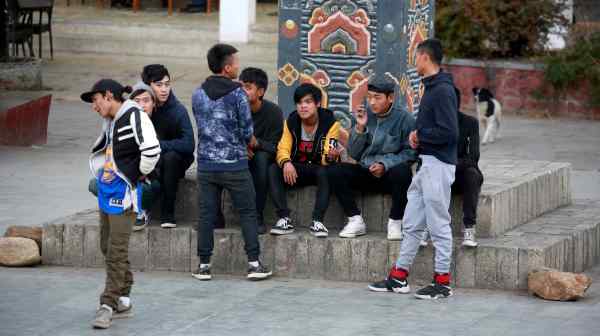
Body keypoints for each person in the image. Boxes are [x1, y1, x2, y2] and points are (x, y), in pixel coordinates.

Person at [368, 39, 459, 300]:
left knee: (439, 224)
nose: (413, 61)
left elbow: (449, 132)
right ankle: (399, 277)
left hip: (438, 164)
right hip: (426, 164)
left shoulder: (441, 90)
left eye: (415, 57)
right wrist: (420, 138)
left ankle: (442, 283)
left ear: (425, 58)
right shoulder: (431, 87)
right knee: (411, 223)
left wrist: (421, 136)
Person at [82, 79, 161, 328]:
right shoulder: (111, 120)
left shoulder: (135, 116)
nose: (94, 107)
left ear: (108, 96)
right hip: (107, 193)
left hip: (124, 195)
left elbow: (152, 150)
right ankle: (124, 297)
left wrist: (135, 177)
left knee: (115, 251)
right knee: (107, 246)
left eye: (95, 101)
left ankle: (107, 304)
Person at [191, 43, 272, 281]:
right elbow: (247, 130)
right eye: (235, 62)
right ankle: (254, 264)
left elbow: (202, 124)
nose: (238, 66)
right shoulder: (237, 94)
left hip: (206, 165)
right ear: (227, 68)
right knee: (248, 212)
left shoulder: (198, 93)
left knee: (206, 215)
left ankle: (204, 265)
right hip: (235, 164)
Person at [328, 80, 416, 239]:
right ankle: (355, 220)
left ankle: (396, 221)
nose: (372, 102)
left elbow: (411, 153)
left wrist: (384, 164)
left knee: (403, 171)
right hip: (366, 172)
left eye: (377, 97)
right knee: (335, 171)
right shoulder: (364, 115)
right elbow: (353, 154)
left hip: (390, 176)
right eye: (369, 97)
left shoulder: (405, 119)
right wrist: (360, 128)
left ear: (390, 98)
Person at [268, 83, 341, 237]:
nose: (303, 107)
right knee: (274, 169)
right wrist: (286, 162)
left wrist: (330, 156)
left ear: (318, 104)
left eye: (308, 102)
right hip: (295, 170)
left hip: (318, 168)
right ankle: (284, 219)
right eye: (300, 103)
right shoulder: (291, 121)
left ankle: (317, 221)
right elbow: (283, 148)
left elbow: (328, 153)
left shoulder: (331, 122)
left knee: (325, 171)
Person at [420, 87, 483, 248]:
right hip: (438, 175)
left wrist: (447, 164)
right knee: (427, 173)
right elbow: (422, 157)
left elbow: (473, 157)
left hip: (460, 174)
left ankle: (469, 227)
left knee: (472, 174)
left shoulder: (470, 123)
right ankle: (426, 226)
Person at [142, 64, 195, 229]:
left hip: (176, 160)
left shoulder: (178, 110)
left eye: (167, 84)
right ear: (148, 86)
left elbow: (189, 144)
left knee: (170, 158)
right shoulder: (141, 106)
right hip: (151, 161)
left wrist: (159, 145)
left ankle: (168, 212)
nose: (164, 89)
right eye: (158, 85)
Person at [239, 67, 284, 234]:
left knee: (261, 159)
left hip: (264, 158)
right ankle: (214, 215)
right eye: (241, 86)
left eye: (248, 87)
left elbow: (277, 147)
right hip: (239, 154)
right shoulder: (234, 109)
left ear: (261, 91)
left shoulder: (273, 112)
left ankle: (257, 216)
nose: (243, 91)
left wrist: (256, 144)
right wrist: (241, 147)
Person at [129, 81, 160, 231]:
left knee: (145, 189)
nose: (141, 105)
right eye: (137, 101)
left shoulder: (159, 123)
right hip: (128, 176)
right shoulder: (126, 123)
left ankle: (141, 211)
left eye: (146, 100)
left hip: (151, 178)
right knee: (96, 184)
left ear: (154, 103)